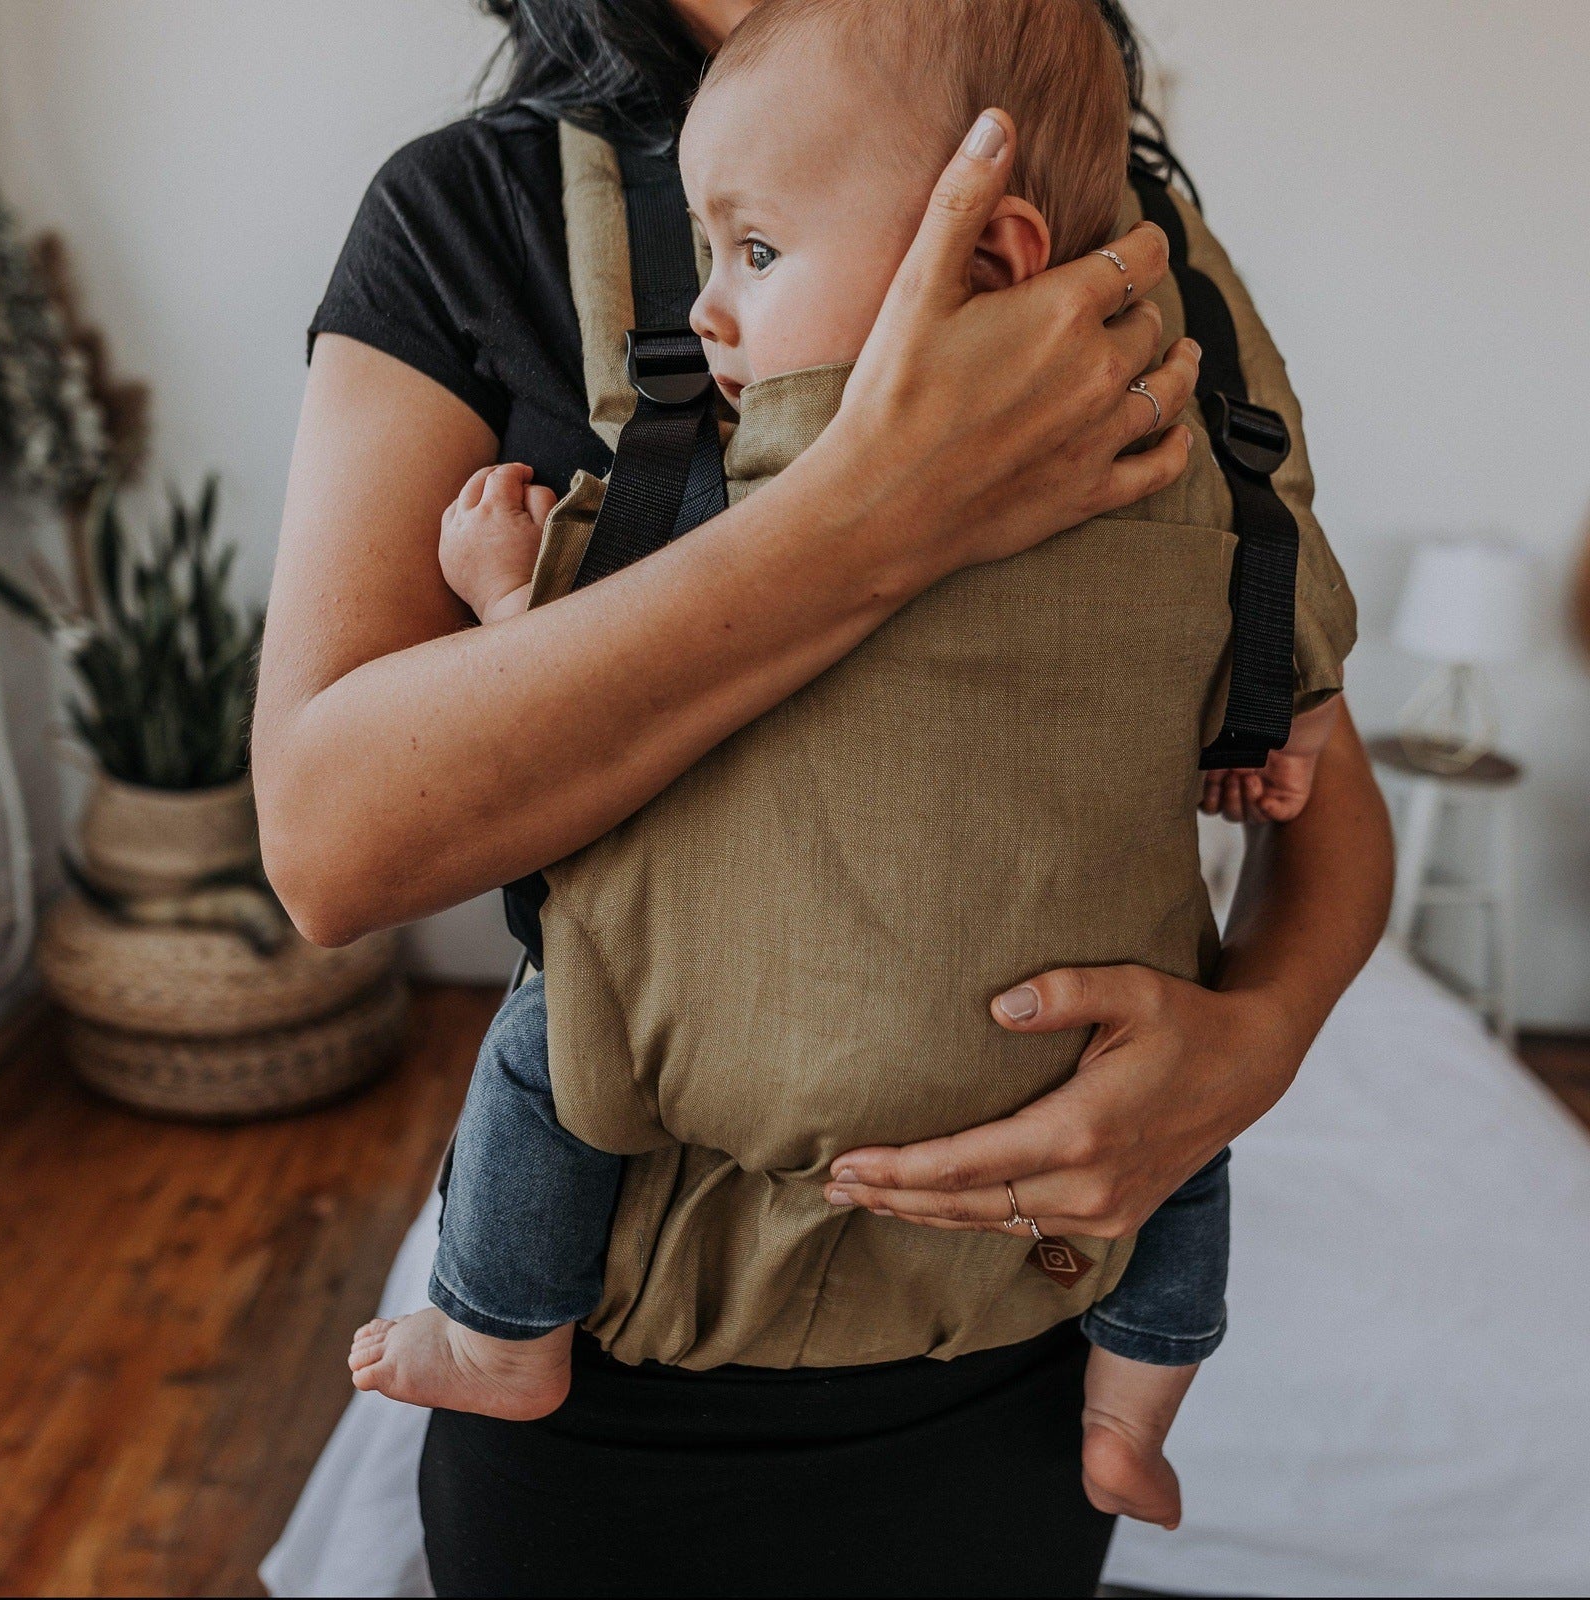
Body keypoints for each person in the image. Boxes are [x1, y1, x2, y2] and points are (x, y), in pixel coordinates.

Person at [254, 0, 1393, 1590]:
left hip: (1014, 1364)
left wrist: (1251, 1047)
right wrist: (872, 516)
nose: (715, 302)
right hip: (614, 1399)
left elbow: (1310, 766)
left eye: (755, 253)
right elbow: (328, 853)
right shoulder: (477, 214)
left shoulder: (1128, 242)